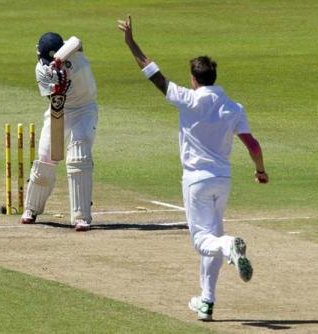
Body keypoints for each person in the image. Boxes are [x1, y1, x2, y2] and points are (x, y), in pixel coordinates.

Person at [118, 16, 269, 320]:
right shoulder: (234, 107)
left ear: (194, 78)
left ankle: (229, 246)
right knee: (211, 238)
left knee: (204, 241)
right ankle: (207, 302)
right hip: (222, 180)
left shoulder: (188, 99)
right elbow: (252, 144)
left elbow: (153, 74)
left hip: (196, 181)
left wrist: (131, 42)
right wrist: (260, 171)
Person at [20, 32, 98, 232]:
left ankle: (81, 217)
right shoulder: (41, 69)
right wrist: (59, 88)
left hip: (84, 109)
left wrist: (59, 61)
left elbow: (78, 40)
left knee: (78, 158)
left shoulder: (73, 50)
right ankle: (32, 208)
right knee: (46, 157)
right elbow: (53, 100)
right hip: (59, 110)